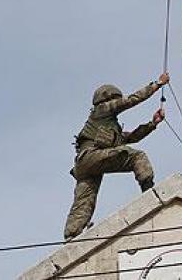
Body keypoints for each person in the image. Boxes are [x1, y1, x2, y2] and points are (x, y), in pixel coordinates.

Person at [63, 72, 169, 240]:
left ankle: (72, 235)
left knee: (84, 201)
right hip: (91, 156)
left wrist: (152, 123)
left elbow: (131, 137)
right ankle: (149, 192)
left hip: (85, 165)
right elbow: (131, 100)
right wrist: (157, 84)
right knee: (137, 157)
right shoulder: (102, 110)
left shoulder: (108, 126)